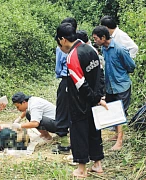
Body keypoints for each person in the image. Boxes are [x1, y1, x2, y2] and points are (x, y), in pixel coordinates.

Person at [56, 23, 107, 178]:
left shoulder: (72, 56)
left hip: (80, 102)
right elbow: (99, 75)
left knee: (79, 133)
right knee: (94, 131)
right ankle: (97, 164)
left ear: (63, 39)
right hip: (93, 99)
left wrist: (94, 98)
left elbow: (80, 84)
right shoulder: (90, 49)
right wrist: (98, 97)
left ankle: (81, 168)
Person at [92, 25, 136, 151]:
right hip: (110, 85)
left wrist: (120, 72)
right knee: (112, 110)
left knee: (120, 112)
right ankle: (117, 135)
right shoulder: (104, 49)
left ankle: (119, 141)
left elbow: (131, 66)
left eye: (96, 38)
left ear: (103, 37)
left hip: (121, 84)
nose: (95, 41)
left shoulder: (120, 49)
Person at [53, 17, 77, 154]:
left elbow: (58, 68)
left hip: (67, 79)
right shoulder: (83, 46)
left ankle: (63, 144)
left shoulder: (62, 48)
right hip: (79, 82)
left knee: (62, 111)